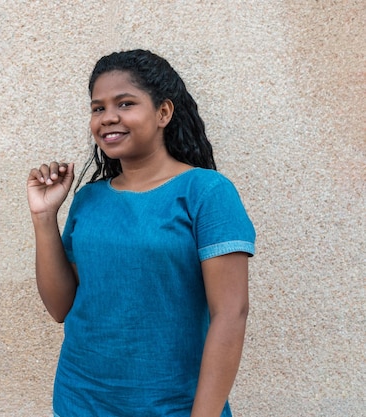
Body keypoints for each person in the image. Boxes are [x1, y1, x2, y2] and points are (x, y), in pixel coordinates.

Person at [27, 49, 256, 417]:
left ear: (163, 112)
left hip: (172, 406)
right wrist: (43, 217)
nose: (108, 118)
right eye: (97, 108)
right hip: (79, 401)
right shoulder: (89, 198)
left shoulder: (206, 192)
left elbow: (231, 313)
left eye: (125, 103)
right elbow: (60, 307)